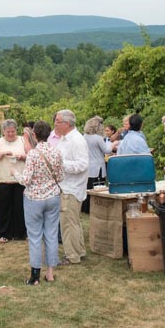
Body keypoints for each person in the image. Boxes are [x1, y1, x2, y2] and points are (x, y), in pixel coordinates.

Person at [21, 121, 64, 285]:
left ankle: (35, 276)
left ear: (34, 135)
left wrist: (15, 173)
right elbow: (60, 177)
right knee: (51, 234)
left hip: (34, 198)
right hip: (53, 197)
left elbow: (26, 179)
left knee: (35, 236)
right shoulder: (56, 152)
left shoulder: (32, 154)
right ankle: (50, 273)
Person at [53, 109, 90, 265]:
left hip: (71, 188)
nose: (55, 124)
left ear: (66, 124)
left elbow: (83, 164)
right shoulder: (65, 139)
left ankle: (72, 255)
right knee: (73, 222)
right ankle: (79, 251)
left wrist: (61, 165)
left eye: (57, 121)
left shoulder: (76, 140)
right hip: (66, 186)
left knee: (68, 224)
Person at [0, 119, 28, 242]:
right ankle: (3, 233)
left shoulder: (22, 140)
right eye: (8, 132)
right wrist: (2, 153)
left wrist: (22, 157)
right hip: (3, 179)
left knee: (20, 207)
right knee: (3, 208)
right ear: (3, 132)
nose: (10, 134)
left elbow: (32, 155)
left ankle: (20, 233)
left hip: (20, 179)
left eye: (13, 131)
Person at [82, 116, 110, 213]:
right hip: (98, 166)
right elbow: (107, 150)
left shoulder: (84, 136)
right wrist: (114, 144)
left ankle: (85, 207)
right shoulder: (98, 138)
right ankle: (96, 207)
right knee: (98, 187)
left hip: (88, 165)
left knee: (88, 187)